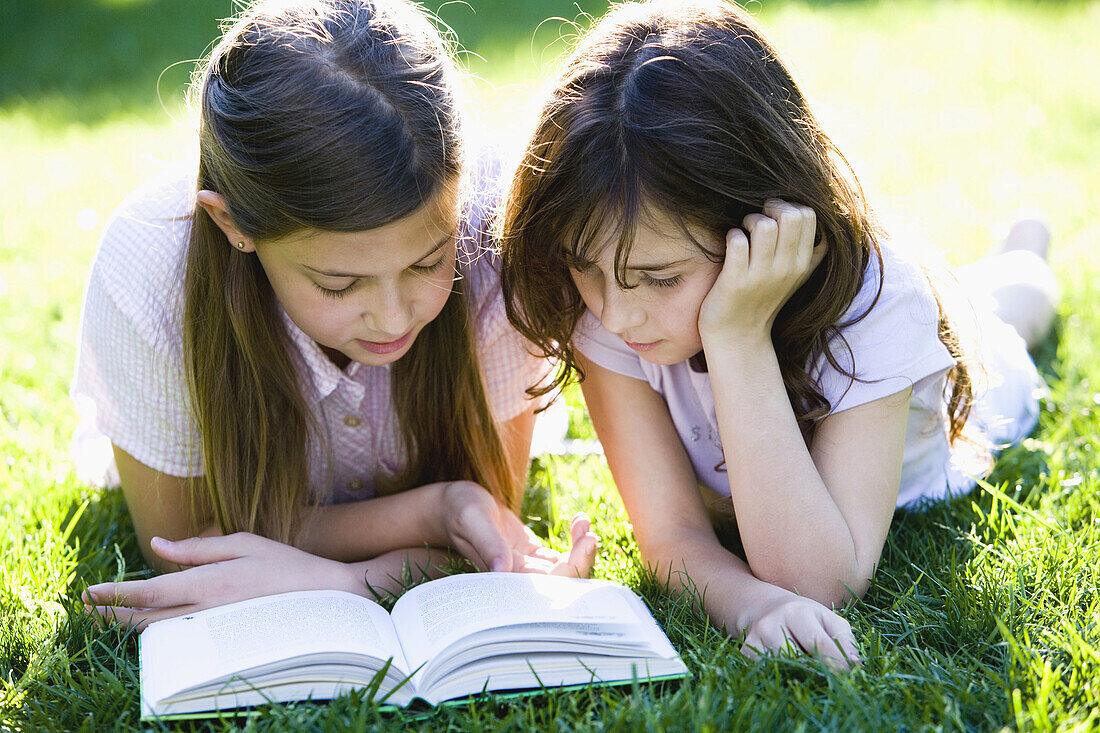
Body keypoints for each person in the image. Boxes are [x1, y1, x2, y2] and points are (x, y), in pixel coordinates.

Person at [499, 0, 1058, 669]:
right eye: (587, 270)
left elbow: (818, 579)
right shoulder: (610, 295)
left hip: (959, 389)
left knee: (1009, 303)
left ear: (764, 222)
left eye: (660, 278)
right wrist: (751, 605)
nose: (616, 315)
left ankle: (1027, 246)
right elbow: (673, 534)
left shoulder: (879, 303)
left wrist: (736, 336)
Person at [74, 0, 596, 630]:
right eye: (340, 284)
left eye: (429, 263)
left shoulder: (495, 227)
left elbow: (488, 530)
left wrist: (380, 552)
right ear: (232, 223)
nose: (393, 316)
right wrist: (423, 526)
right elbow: (182, 549)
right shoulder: (151, 265)